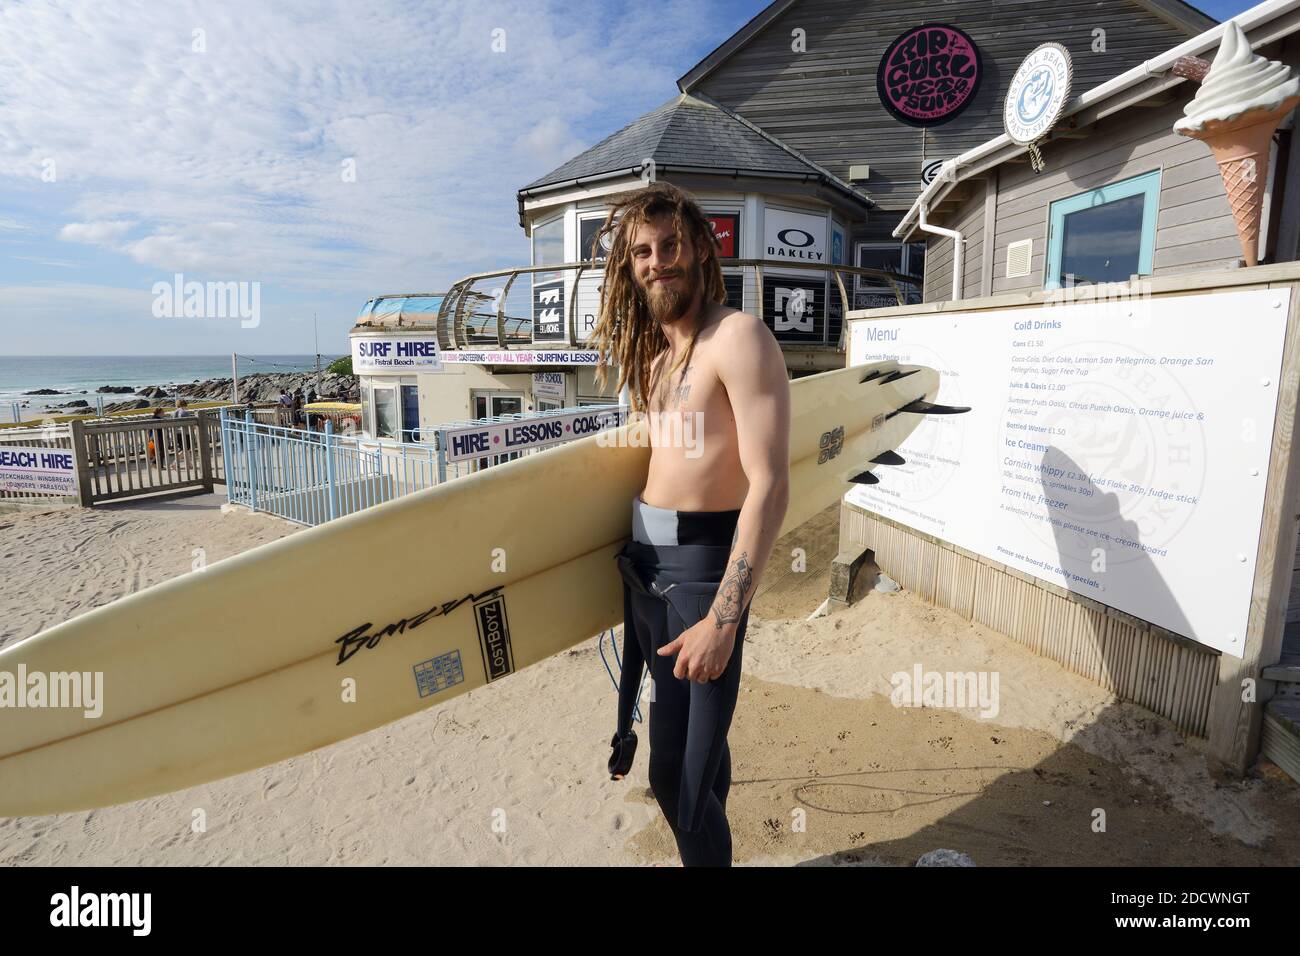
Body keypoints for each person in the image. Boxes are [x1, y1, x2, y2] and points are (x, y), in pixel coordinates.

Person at [590, 182, 790, 866]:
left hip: (702, 586)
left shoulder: (738, 338)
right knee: (702, 760)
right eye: (642, 251)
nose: (657, 261)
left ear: (703, 247)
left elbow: (770, 483)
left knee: (676, 780)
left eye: (670, 244)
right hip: (648, 581)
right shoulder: (655, 361)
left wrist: (725, 618)